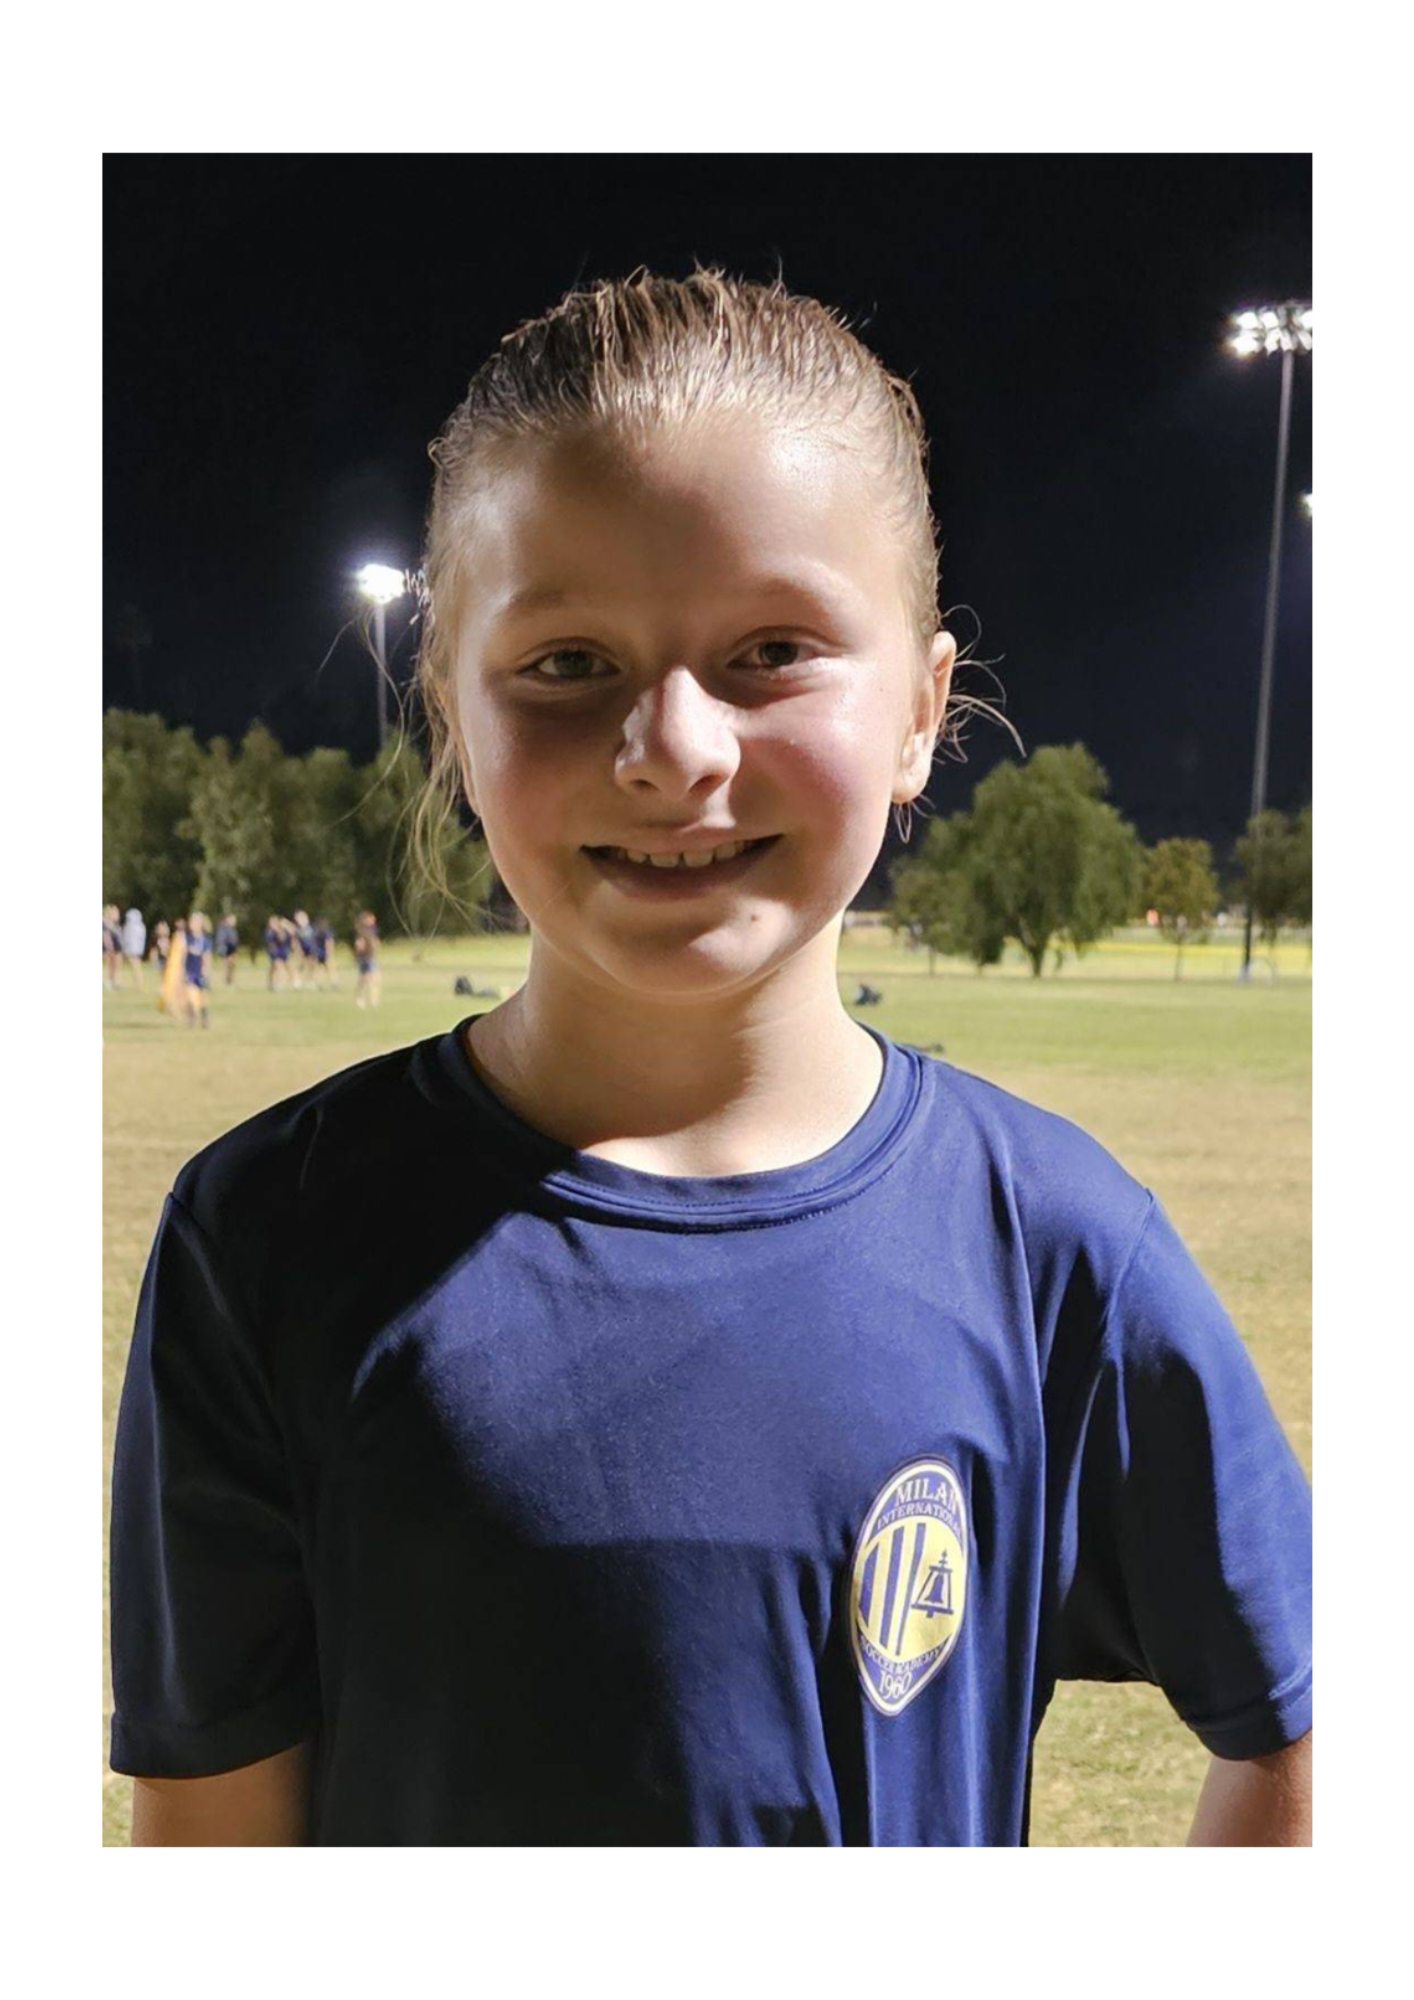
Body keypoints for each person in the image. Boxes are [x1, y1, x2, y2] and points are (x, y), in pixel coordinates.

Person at [109, 266, 1312, 1850]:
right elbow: (212, 1831)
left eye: (770, 651)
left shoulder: (1055, 1249)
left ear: (919, 712)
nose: (673, 749)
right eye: (564, 665)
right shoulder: (262, 1237)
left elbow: (1300, 1731)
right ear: (449, 717)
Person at [182, 911, 213, 1028]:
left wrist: (207, 972)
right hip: (190, 972)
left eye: (195, 922)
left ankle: (205, 1018)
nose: (192, 924)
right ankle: (191, 1018)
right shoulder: (187, 939)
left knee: (203, 997)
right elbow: (183, 955)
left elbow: (207, 957)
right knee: (189, 995)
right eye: (191, 921)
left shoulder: (206, 941)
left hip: (200, 972)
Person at [352, 911, 381, 1009]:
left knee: (373, 979)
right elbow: (359, 945)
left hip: (371, 958)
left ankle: (372, 1000)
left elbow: (375, 943)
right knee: (366, 979)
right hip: (366, 959)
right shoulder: (363, 933)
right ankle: (361, 999)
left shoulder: (371, 931)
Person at [120, 908, 147, 990]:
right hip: (137, 949)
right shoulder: (141, 926)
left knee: (135, 968)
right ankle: (138, 985)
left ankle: (138, 985)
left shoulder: (129, 927)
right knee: (136, 968)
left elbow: (126, 938)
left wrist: (125, 949)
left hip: (132, 949)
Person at [215, 912, 240, 986]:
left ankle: (230, 980)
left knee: (232, 965)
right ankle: (226, 981)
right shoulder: (223, 928)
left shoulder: (233, 929)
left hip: (233, 949)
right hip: (227, 949)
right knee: (226, 965)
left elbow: (235, 940)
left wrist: (236, 949)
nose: (234, 921)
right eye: (232, 919)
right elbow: (221, 940)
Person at [102, 905, 123, 989]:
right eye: (115, 913)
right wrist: (109, 948)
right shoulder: (105, 923)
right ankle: (109, 982)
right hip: (110, 948)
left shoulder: (114, 924)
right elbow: (106, 937)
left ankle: (114, 981)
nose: (117, 915)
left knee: (115, 965)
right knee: (110, 965)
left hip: (116, 948)